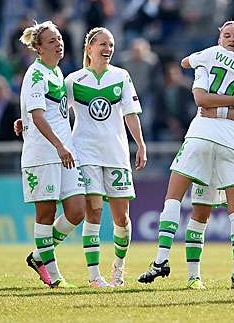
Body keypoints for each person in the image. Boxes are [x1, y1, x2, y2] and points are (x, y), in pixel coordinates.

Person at [138, 17, 234, 289]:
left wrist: (219, 106)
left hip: (200, 136)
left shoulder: (211, 56)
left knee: (175, 200)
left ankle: (162, 260)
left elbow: (191, 77)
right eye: (227, 34)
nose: (231, 39)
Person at [65, 27, 146, 287]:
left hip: (116, 153)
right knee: (94, 213)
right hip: (85, 153)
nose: (107, 49)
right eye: (102, 44)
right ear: (89, 48)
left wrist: (141, 145)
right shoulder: (73, 80)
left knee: (122, 218)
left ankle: (119, 267)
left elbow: (130, 113)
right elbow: (57, 114)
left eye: (110, 44)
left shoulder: (121, 76)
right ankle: (93, 277)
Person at [18, 21, 85, 288]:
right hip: (44, 154)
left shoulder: (56, 72)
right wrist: (58, 145)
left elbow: (35, 109)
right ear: (38, 48)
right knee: (45, 214)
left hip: (63, 151)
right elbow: (37, 115)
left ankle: (38, 256)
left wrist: (20, 118)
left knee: (76, 210)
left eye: (59, 38)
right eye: (51, 41)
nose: (59, 43)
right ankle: (55, 277)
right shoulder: (36, 73)